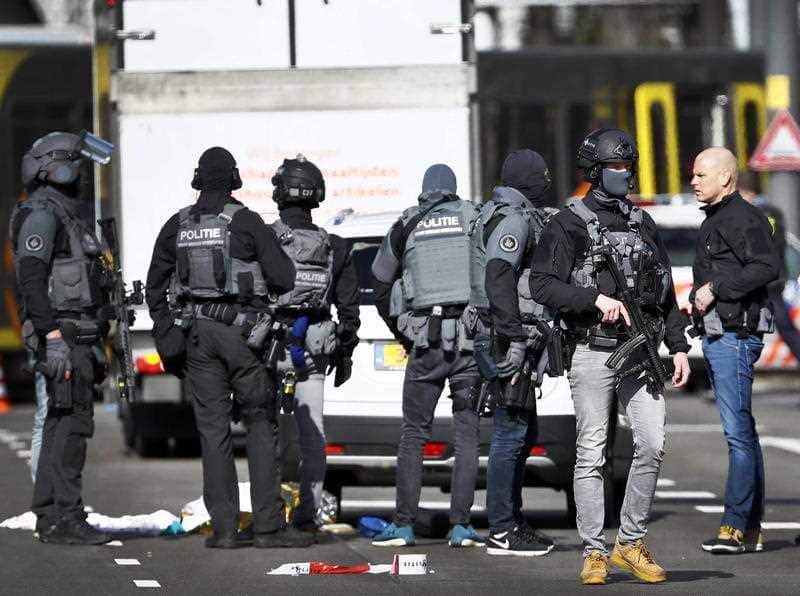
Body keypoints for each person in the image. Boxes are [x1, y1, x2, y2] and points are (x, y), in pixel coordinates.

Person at [531, 128, 691, 585]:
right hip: (591, 350)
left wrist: (678, 347)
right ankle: (594, 551)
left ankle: (631, 541)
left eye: (628, 167)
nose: (625, 174)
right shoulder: (568, 223)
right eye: (617, 167)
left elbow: (665, 296)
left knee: (653, 443)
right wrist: (592, 299)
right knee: (591, 454)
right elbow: (542, 284)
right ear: (596, 172)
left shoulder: (643, 223)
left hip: (641, 353)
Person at [145, 147, 312, 549]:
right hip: (243, 338)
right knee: (258, 423)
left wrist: (168, 332)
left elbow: (154, 286)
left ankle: (223, 530)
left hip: (198, 339)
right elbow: (284, 276)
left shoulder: (178, 224)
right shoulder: (247, 222)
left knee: (213, 431)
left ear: (197, 179)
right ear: (235, 179)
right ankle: (269, 527)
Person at [369, 164, 484, 548]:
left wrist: (402, 331)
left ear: (424, 191)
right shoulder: (473, 217)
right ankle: (461, 525)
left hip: (425, 343)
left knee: (414, 434)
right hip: (468, 344)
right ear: (453, 189)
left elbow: (380, 279)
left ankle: (403, 525)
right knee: (467, 434)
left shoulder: (408, 223)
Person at [10, 131, 115, 545]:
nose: (83, 177)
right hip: (65, 336)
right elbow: (32, 281)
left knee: (59, 425)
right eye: (78, 166)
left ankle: (50, 514)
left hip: (76, 334)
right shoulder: (43, 215)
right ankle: (67, 518)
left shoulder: (66, 214)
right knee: (72, 428)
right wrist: (52, 335)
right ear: (60, 167)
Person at [689, 148, 779, 554]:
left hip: (734, 337)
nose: (694, 181)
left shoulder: (742, 217)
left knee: (737, 435)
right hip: (721, 335)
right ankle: (751, 527)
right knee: (743, 433)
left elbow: (765, 267)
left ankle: (734, 527)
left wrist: (715, 289)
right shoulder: (719, 217)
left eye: (701, 174)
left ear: (726, 178)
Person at [268, 154, 360, 531]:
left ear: (279, 194)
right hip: (315, 351)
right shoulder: (333, 245)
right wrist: (345, 352)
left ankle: (268, 510)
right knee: (313, 432)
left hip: (271, 348)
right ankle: (308, 513)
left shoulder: (264, 238)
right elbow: (350, 310)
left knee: (268, 430)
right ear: (316, 195)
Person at [471, 149, 555, 557]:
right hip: (505, 337)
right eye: (542, 176)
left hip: (502, 332)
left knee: (524, 432)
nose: (547, 182)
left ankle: (513, 521)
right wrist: (516, 338)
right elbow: (498, 276)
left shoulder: (500, 212)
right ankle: (502, 529)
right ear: (527, 181)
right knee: (511, 433)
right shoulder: (515, 220)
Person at [738, 170, 800, 361]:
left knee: (776, 326)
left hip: (764, 284)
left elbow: (761, 247)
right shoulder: (767, 211)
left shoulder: (759, 213)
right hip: (768, 282)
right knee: (770, 327)